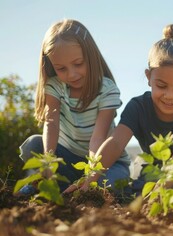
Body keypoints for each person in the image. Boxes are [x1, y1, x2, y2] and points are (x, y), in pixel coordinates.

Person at [67, 23, 173, 201]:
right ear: (149, 77)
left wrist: (161, 190)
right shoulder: (138, 107)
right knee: (137, 189)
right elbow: (115, 143)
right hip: (152, 167)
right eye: (161, 86)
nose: (169, 96)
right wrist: (90, 177)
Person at [19, 19, 130, 194]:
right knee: (33, 144)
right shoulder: (54, 87)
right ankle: (55, 186)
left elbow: (98, 137)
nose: (72, 74)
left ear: (91, 56)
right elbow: (51, 123)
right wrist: (48, 159)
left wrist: (91, 174)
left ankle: (76, 188)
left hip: (106, 162)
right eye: (61, 68)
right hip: (68, 159)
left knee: (112, 184)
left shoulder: (107, 90)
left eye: (78, 64)